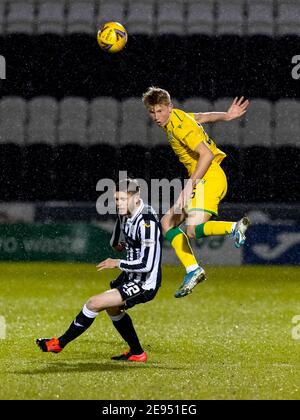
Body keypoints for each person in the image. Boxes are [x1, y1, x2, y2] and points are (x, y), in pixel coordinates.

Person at [36, 178, 162, 362]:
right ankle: (137, 353)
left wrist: (116, 262)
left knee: (94, 303)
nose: (118, 204)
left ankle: (59, 344)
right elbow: (116, 240)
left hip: (145, 282)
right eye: (116, 199)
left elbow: (147, 265)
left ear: (136, 198)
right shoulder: (125, 212)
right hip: (130, 276)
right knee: (113, 309)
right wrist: (118, 245)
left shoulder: (146, 222)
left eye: (122, 199)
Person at [142, 87, 250, 298]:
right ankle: (193, 269)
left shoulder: (180, 126)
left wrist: (189, 185)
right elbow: (202, 116)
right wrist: (227, 116)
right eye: (152, 112)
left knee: (192, 229)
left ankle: (234, 227)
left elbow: (206, 154)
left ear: (169, 107)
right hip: (205, 178)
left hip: (208, 178)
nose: (156, 117)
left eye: (160, 111)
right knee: (167, 223)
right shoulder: (176, 117)